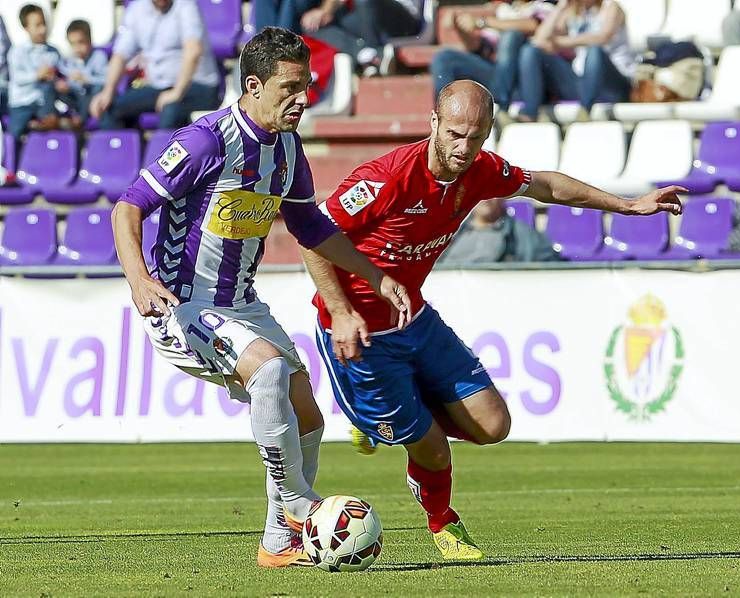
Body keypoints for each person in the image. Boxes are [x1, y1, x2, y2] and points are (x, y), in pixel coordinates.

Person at [303, 80, 683, 561]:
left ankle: (393, 425)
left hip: (414, 318)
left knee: (493, 425)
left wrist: (627, 205)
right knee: (435, 450)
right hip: (360, 335)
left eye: (477, 136)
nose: (465, 148)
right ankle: (443, 522)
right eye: (456, 134)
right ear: (434, 122)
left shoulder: (480, 171)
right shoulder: (385, 178)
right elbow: (313, 234)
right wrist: (340, 311)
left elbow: (544, 184)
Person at [111, 27, 411, 569]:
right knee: (269, 372)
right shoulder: (206, 141)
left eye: (308, 85)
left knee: (309, 417)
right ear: (253, 85)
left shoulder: (288, 148)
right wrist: (139, 280)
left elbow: (311, 227)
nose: (303, 98)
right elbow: (126, 209)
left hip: (240, 305)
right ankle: (297, 502)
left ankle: (278, 541)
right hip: (182, 305)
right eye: (290, 86)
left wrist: (375, 275)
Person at [497, 0, 634, 123]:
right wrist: (560, 7)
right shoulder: (574, 11)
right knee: (530, 51)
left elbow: (603, 37)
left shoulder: (611, 7)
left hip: (613, 82)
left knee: (595, 51)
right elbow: (539, 39)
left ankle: (585, 111)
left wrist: (561, 42)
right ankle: (530, 113)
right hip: (581, 80)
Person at [90, 0, 220, 130]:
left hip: (198, 85)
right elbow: (120, 55)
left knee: (171, 109)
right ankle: (122, 149)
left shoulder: (186, 6)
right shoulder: (137, 9)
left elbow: (193, 51)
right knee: (109, 109)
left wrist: (177, 92)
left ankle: (161, 149)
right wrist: (107, 92)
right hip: (159, 86)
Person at [430, 1, 554, 99]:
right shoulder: (504, 9)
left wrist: (482, 22)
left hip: (526, 83)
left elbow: (533, 26)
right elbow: (478, 48)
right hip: (496, 75)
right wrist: (459, 25)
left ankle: (499, 100)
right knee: (444, 58)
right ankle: (445, 112)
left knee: (511, 36)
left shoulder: (544, 6)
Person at [300, 0, 422, 75]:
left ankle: (371, 58)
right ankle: (368, 54)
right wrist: (323, 12)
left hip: (405, 20)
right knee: (311, 24)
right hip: (367, 16)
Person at [440, 197, 561, 264]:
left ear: (503, 198)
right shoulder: (451, 232)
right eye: (481, 192)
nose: (486, 199)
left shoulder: (522, 234)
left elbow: (551, 265)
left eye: (492, 192)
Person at [7, 4, 61, 139]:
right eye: (37, 25)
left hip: (44, 103)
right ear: (26, 28)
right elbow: (17, 78)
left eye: (43, 24)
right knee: (15, 134)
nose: (42, 29)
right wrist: (37, 75)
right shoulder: (17, 52)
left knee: (54, 130)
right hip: (22, 103)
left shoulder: (53, 52)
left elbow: (59, 76)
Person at [56, 19, 108, 128]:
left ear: (89, 40)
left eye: (81, 42)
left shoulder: (98, 56)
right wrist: (65, 85)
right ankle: (54, 119)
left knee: (95, 89)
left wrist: (87, 79)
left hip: (92, 97)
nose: (77, 48)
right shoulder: (70, 60)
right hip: (77, 98)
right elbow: (68, 78)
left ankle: (79, 121)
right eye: (73, 44)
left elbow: (107, 80)